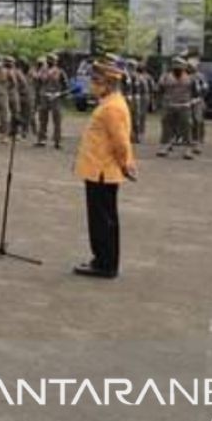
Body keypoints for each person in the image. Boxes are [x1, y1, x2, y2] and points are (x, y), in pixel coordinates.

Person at [73, 57, 136, 279]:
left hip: (102, 170)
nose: (92, 84)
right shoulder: (109, 102)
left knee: (103, 220)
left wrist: (127, 165)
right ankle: (101, 259)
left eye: (96, 81)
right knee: (102, 218)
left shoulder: (112, 107)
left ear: (108, 84)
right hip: (98, 169)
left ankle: (105, 264)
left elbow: (121, 142)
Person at [156, 57, 194, 159]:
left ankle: (187, 149)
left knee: (186, 127)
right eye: (175, 66)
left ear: (184, 67)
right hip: (169, 105)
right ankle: (164, 146)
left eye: (179, 67)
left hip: (184, 106)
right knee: (166, 127)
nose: (177, 69)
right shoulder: (165, 77)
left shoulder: (190, 78)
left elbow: (196, 91)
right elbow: (159, 90)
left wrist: (192, 102)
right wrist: (160, 103)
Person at [35, 54, 68, 149]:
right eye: (48, 60)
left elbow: (66, 86)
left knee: (57, 120)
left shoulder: (60, 72)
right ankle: (41, 139)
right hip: (44, 97)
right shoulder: (42, 72)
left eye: (52, 60)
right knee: (42, 120)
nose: (50, 61)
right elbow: (38, 84)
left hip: (55, 97)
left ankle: (57, 141)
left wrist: (60, 94)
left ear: (56, 62)